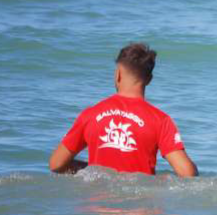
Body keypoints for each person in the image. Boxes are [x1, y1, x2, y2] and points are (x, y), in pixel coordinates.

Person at [49, 43, 198, 177]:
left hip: (97, 198)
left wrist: (90, 170)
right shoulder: (161, 120)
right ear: (149, 79)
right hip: (139, 198)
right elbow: (187, 173)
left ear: (118, 74)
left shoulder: (90, 115)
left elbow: (56, 164)